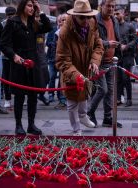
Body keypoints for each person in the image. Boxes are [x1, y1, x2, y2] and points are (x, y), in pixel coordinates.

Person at [1, 0, 52, 135]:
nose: (31, 8)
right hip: (19, 63)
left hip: (33, 63)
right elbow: (4, 44)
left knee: (33, 95)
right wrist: (14, 56)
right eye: (29, 5)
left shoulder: (33, 23)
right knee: (19, 96)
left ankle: (31, 124)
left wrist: (39, 11)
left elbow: (48, 27)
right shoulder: (12, 22)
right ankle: (18, 125)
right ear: (23, 6)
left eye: (32, 6)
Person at [56, 0, 103, 136]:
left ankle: (83, 116)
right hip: (71, 72)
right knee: (72, 103)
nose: (86, 20)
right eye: (82, 17)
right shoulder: (65, 32)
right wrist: (77, 76)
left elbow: (98, 45)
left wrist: (95, 61)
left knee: (84, 96)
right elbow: (62, 61)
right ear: (74, 16)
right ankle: (76, 129)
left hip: (86, 68)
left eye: (88, 16)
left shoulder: (92, 23)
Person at [87, 0, 123, 128]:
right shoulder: (94, 20)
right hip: (98, 61)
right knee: (103, 90)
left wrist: (119, 46)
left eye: (113, 6)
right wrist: (108, 43)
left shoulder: (114, 20)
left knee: (110, 91)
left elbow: (116, 36)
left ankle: (107, 118)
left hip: (112, 60)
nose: (111, 8)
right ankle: (89, 112)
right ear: (101, 6)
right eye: (108, 6)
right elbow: (91, 41)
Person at [114, 6, 136, 107]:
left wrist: (126, 46)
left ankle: (129, 99)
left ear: (123, 14)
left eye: (117, 13)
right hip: (117, 56)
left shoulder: (129, 26)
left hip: (127, 56)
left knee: (126, 78)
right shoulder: (114, 26)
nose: (115, 15)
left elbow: (135, 40)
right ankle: (118, 98)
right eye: (115, 14)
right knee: (118, 78)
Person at [46, 13, 68, 109]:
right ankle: (54, 95)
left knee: (62, 80)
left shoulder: (72, 31)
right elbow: (53, 46)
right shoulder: (56, 32)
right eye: (61, 20)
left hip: (67, 60)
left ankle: (63, 99)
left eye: (64, 20)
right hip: (55, 59)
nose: (62, 22)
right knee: (53, 77)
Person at [1, 6, 16, 109]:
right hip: (6, 56)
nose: (10, 17)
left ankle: (20, 96)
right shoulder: (2, 24)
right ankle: (7, 99)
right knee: (6, 78)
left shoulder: (18, 23)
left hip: (17, 55)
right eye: (9, 15)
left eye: (12, 15)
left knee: (19, 78)